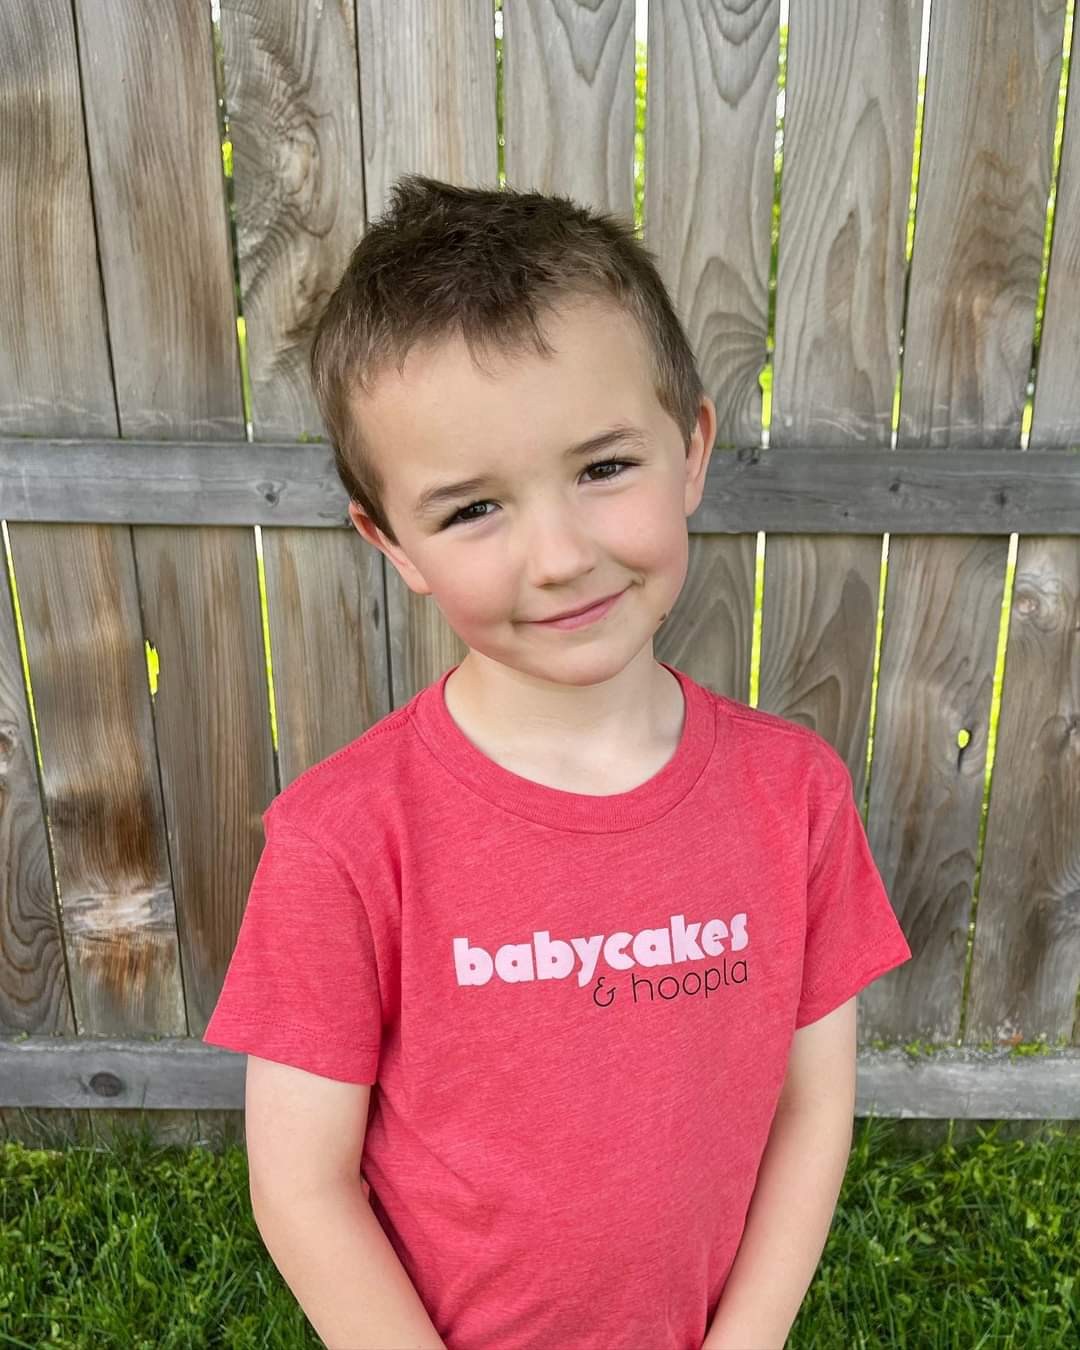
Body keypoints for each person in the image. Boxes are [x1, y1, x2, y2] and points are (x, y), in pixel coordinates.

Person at [202, 173, 913, 1350]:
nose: (560, 556)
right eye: (473, 509)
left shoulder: (795, 796)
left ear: (690, 450)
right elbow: (301, 1185)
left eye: (602, 469)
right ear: (392, 543)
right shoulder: (343, 838)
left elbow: (814, 1102)